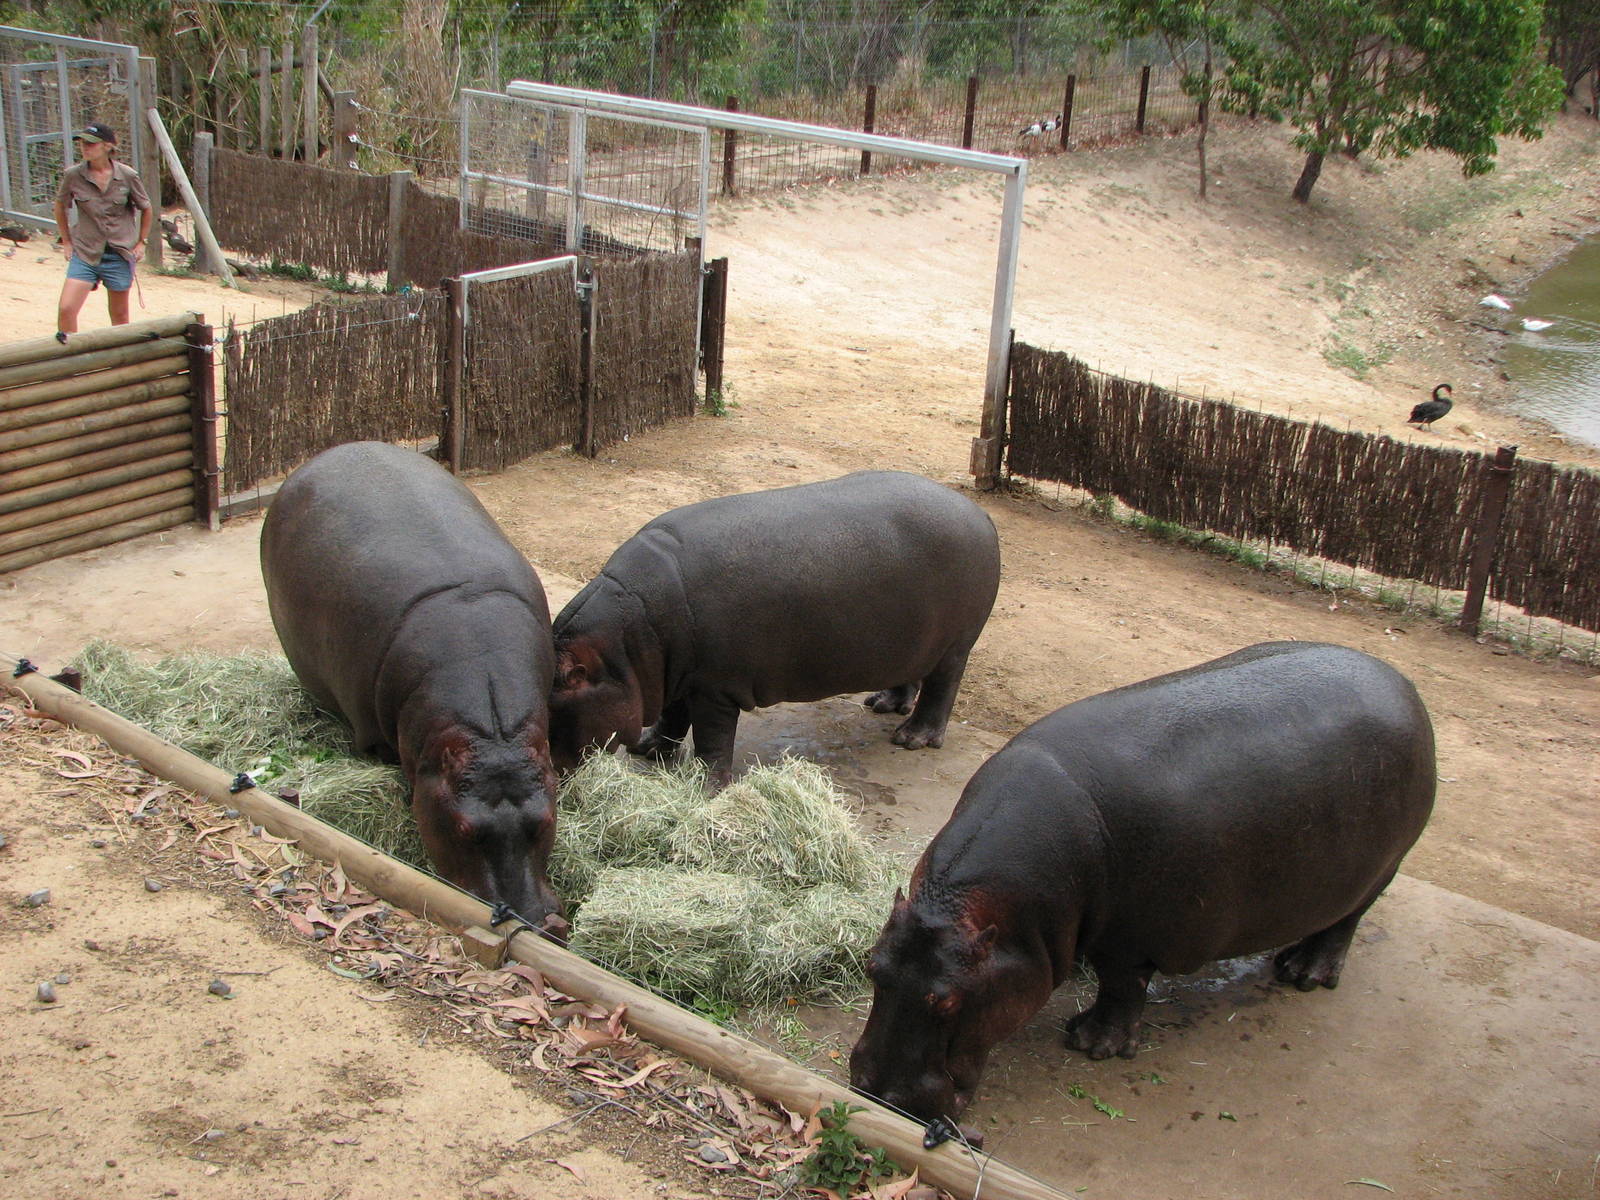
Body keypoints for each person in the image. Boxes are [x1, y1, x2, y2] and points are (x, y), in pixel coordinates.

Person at [53, 121, 153, 343]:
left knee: (119, 318)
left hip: (119, 254)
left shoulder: (127, 175)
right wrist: (67, 241)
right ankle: (70, 361)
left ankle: (121, 366)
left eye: (91, 144)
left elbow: (146, 208)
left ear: (108, 146)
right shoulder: (73, 176)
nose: (85, 147)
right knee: (66, 308)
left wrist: (141, 242)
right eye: (82, 143)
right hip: (86, 252)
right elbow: (60, 205)